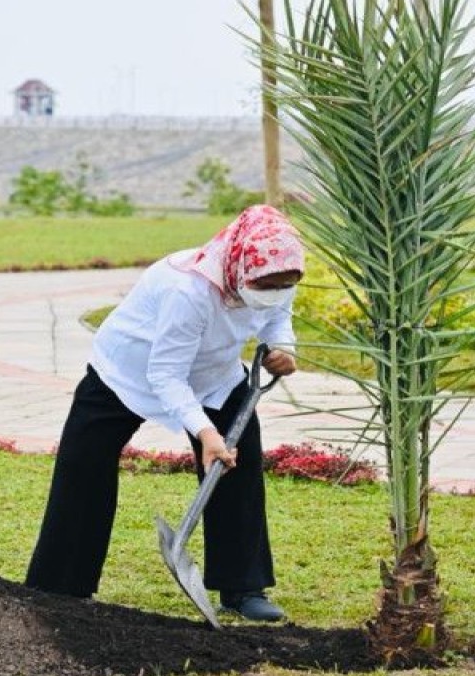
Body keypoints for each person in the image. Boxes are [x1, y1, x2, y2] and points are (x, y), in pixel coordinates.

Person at [24, 204, 304, 622]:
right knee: (84, 465)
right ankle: (60, 586)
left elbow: (277, 318)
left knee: (238, 465)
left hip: (215, 376)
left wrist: (283, 348)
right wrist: (205, 433)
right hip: (128, 372)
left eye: (285, 285)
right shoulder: (187, 290)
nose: (276, 291)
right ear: (240, 265)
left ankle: (242, 587)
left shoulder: (275, 272)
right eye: (267, 285)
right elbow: (166, 374)